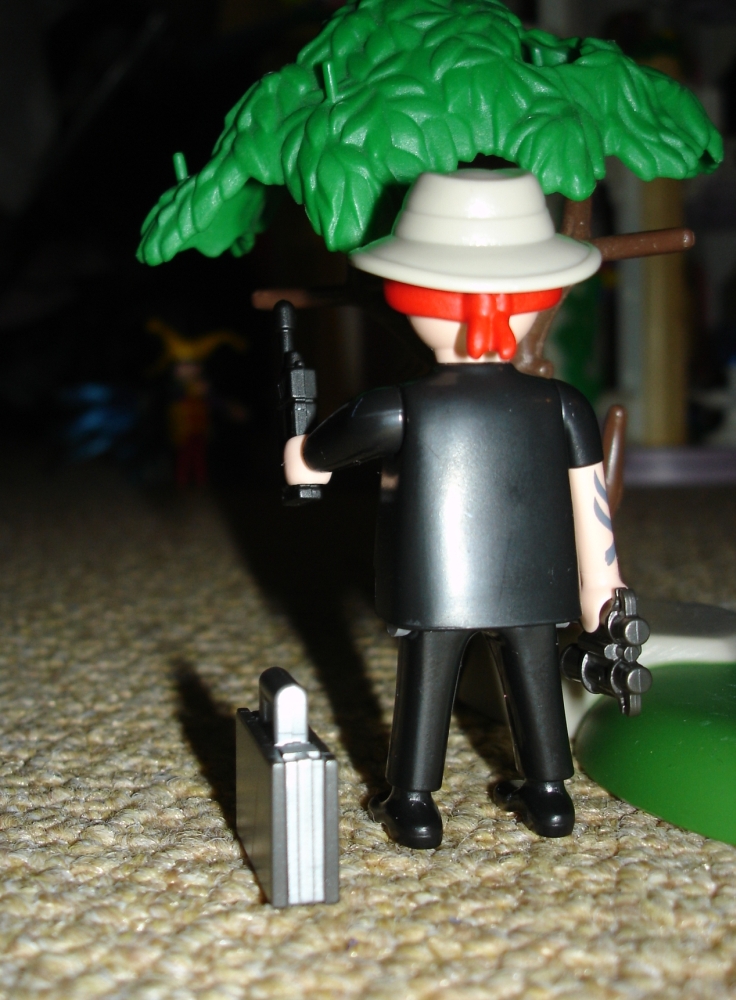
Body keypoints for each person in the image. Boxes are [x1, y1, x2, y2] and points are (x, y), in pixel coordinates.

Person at [284, 168, 625, 847]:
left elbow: (316, 456)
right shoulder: (564, 404)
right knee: (534, 678)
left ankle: (413, 802)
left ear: (413, 297)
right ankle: (550, 795)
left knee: (427, 685)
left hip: (438, 584)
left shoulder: (397, 406)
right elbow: (593, 510)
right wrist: (604, 597)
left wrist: (299, 453)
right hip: (534, 584)